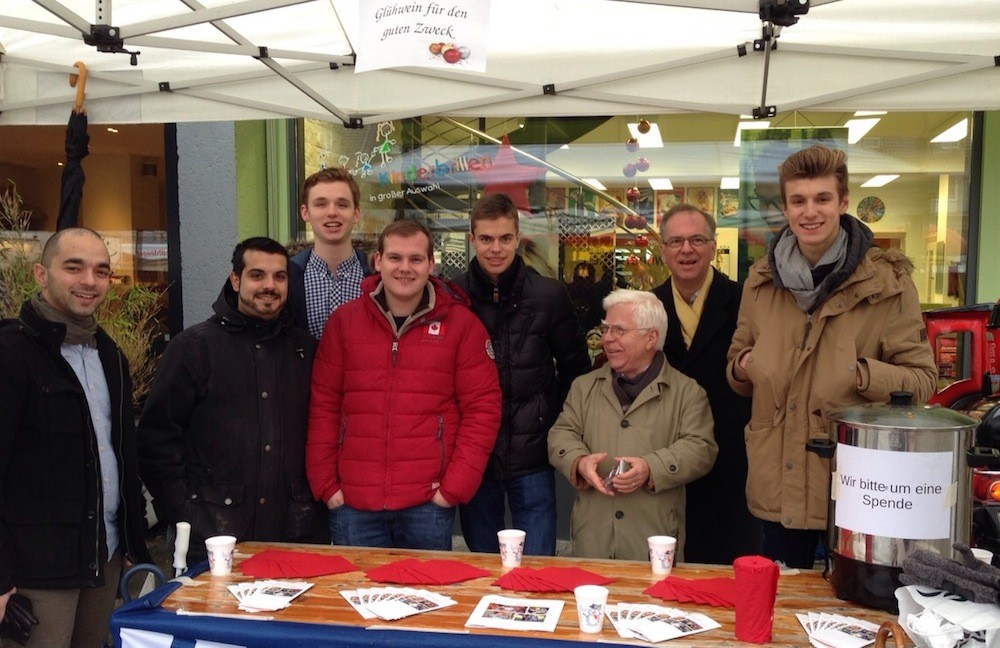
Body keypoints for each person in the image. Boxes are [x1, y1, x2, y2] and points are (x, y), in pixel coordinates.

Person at [727, 144, 936, 568]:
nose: (810, 212)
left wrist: (859, 374)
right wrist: (746, 365)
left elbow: (922, 380)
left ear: (842, 203)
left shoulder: (889, 284)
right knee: (781, 614)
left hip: (855, 487)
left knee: (846, 620)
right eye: (798, 201)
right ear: (784, 209)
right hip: (777, 482)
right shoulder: (760, 282)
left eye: (822, 199)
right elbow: (737, 362)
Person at [306, 219, 501, 550]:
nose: (405, 268)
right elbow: (324, 404)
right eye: (395, 258)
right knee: (355, 598)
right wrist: (326, 485)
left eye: (415, 259)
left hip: (427, 504)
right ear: (378, 261)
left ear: (431, 264)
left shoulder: (462, 326)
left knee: (427, 600)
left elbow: (483, 409)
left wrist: (452, 489)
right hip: (353, 504)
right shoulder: (345, 322)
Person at [0, 228, 152, 647]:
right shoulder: (11, 355)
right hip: (36, 575)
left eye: (101, 271)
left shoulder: (110, 355)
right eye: (74, 267)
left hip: (102, 561)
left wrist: (131, 542)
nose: (90, 281)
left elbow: (122, 456)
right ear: (40, 274)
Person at [139, 237, 326, 563]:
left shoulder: (305, 351)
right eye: (257, 275)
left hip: (293, 533)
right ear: (235, 279)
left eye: (279, 277)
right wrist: (183, 509)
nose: (270, 285)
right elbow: (157, 440)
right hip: (211, 535)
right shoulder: (194, 348)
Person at [455, 193, 590, 556]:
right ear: (472, 239)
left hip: (534, 455)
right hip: (476, 455)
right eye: (485, 239)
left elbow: (576, 368)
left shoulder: (548, 295)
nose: (495, 248)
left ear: (517, 238)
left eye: (504, 238)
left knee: (538, 565)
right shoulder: (454, 296)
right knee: (483, 566)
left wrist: (553, 421)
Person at [548, 289, 718, 561]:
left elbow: (701, 448)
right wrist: (578, 462)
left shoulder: (688, 392)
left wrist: (651, 468)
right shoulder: (584, 387)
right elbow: (561, 434)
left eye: (619, 330)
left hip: (653, 543)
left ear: (651, 337)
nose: (607, 339)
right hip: (593, 541)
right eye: (605, 329)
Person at [651, 203, 758, 564]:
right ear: (663, 249)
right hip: (664, 453)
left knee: (725, 564)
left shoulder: (745, 302)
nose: (687, 250)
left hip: (730, 454)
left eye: (697, 239)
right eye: (676, 241)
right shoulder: (648, 306)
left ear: (713, 247)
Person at [288, 167, 369, 338]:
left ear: (356, 214)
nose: (332, 212)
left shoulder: (377, 275)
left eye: (342, 204)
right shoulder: (286, 276)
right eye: (321, 204)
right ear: (305, 213)